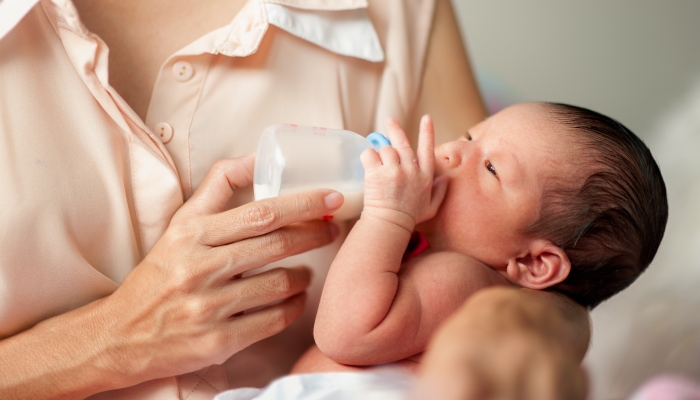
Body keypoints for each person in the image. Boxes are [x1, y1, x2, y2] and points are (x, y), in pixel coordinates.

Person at [0, 0, 590, 398]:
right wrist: (107, 337)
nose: (453, 152)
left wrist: (532, 327)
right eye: (466, 139)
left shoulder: (399, 12)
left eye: (478, 152)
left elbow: (527, 260)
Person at [292, 102, 668, 374]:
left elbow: (343, 335)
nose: (455, 150)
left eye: (491, 167)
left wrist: (388, 215)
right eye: (471, 134)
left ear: (533, 263)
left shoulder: (466, 283)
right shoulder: (444, 261)